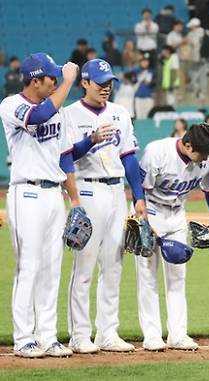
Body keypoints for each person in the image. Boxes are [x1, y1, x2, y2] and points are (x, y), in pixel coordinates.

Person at [0, 53, 80, 358]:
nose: (57, 82)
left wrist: (93, 140)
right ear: (35, 80)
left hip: (53, 196)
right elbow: (38, 117)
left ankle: (48, 335)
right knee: (28, 267)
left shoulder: (55, 110)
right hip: (26, 194)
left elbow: (64, 153)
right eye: (52, 78)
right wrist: (71, 81)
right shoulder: (11, 105)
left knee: (51, 268)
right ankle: (24, 338)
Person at [64, 59, 146, 354]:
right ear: (84, 82)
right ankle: (79, 335)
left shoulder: (120, 113)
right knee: (83, 267)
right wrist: (91, 140)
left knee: (113, 265)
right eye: (100, 82)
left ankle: (107, 333)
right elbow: (66, 157)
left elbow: (130, 157)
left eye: (109, 81)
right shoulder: (69, 114)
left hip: (116, 192)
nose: (106, 87)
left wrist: (138, 197)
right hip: (86, 189)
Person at [137, 122, 209, 351]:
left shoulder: (206, 158)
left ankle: (178, 334)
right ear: (187, 144)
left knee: (177, 276)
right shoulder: (157, 152)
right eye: (201, 154)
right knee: (147, 275)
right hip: (151, 212)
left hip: (177, 216)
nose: (204, 159)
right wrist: (143, 220)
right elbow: (139, 189)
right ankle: (151, 335)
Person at [186, 18, 208, 100]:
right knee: (200, 75)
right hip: (204, 57)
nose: (190, 28)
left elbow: (193, 45)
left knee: (198, 74)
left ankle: (199, 92)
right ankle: (200, 92)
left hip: (198, 57)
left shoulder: (194, 34)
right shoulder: (206, 32)